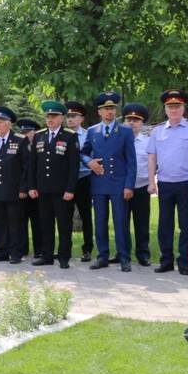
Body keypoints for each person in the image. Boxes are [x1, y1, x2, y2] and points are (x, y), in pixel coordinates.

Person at [147, 89, 188, 275]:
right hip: (165, 183)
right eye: (170, 107)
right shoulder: (157, 131)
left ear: (183, 108)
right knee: (165, 224)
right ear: (165, 109)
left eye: (177, 106)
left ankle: (184, 262)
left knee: (186, 224)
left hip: (186, 183)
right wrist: (151, 181)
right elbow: (152, 158)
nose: (174, 110)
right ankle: (166, 261)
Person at [82, 92, 136, 272]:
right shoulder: (92, 131)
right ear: (99, 111)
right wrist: (88, 161)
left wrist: (129, 185)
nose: (110, 111)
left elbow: (131, 161)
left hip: (119, 184)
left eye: (112, 108)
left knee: (120, 221)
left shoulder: (125, 131)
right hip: (98, 183)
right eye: (106, 109)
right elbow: (83, 152)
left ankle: (124, 258)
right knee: (100, 222)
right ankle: (102, 256)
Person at [28, 101, 78, 268]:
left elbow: (73, 166)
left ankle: (64, 257)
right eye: (48, 116)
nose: (50, 119)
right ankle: (47, 255)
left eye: (54, 116)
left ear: (61, 118)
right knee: (45, 224)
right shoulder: (39, 135)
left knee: (64, 225)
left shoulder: (70, 136)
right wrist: (32, 186)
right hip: (43, 189)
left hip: (62, 190)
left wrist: (70, 189)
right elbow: (33, 164)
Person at [0, 106, 30, 263]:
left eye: (2, 122)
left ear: (10, 124)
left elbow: (26, 167)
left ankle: (16, 252)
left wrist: (24, 188)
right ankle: (1, 251)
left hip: (14, 190)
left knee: (15, 222)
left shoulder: (20, 140)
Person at [122, 103, 152, 266]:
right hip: (122, 188)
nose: (132, 123)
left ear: (142, 123)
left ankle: (143, 254)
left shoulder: (148, 142)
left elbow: (155, 164)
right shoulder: (118, 141)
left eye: (136, 120)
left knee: (142, 223)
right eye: (129, 119)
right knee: (122, 223)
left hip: (141, 187)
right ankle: (123, 252)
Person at [65, 101, 94, 261]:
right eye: (68, 116)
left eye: (74, 116)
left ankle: (87, 249)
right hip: (65, 181)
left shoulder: (88, 135)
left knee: (86, 216)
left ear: (81, 118)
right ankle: (65, 249)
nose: (70, 119)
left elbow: (92, 156)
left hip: (83, 179)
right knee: (65, 216)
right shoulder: (61, 134)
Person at [17, 117, 42, 257]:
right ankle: (22, 248)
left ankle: (39, 250)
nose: (26, 135)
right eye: (23, 132)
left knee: (37, 221)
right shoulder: (20, 146)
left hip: (37, 190)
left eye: (28, 132)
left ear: (35, 132)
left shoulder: (40, 146)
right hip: (21, 190)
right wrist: (23, 188)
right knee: (21, 221)